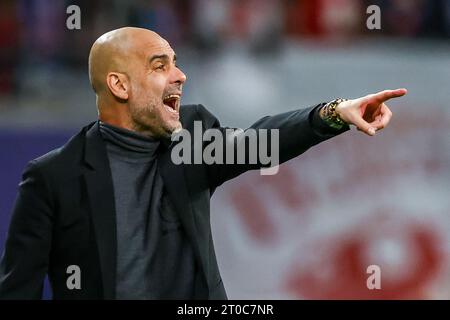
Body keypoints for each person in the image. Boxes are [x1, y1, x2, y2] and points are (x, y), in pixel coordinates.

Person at [0, 27, 407, 299]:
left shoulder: (190, 140)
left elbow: (260, 142)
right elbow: (19, 289)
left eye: (176, 61)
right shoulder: (54, 178)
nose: (180, 75)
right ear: (119, 85)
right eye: (160, 65)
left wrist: (332, 114)